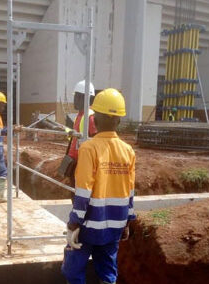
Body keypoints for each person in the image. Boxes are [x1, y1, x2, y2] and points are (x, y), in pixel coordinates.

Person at [61, 88, 136, 284]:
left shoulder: (89, 148)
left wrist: (74, 221)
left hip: (89, 224)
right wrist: (127, 221)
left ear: (96, 118)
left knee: (73, 270)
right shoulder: (128, 151)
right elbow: (130, 191)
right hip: (116, 224)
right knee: (107, 271)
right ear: (119, 120)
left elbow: (83, 189)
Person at [66, 80, 97, 187]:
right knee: (73, 192)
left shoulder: (90, 117)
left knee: (79, 192)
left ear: (85, 98)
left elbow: (96, 142)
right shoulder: (79, 116)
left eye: (77, 97)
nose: (74, 100)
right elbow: (75, 139)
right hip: (74, 160)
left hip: (83, 163)